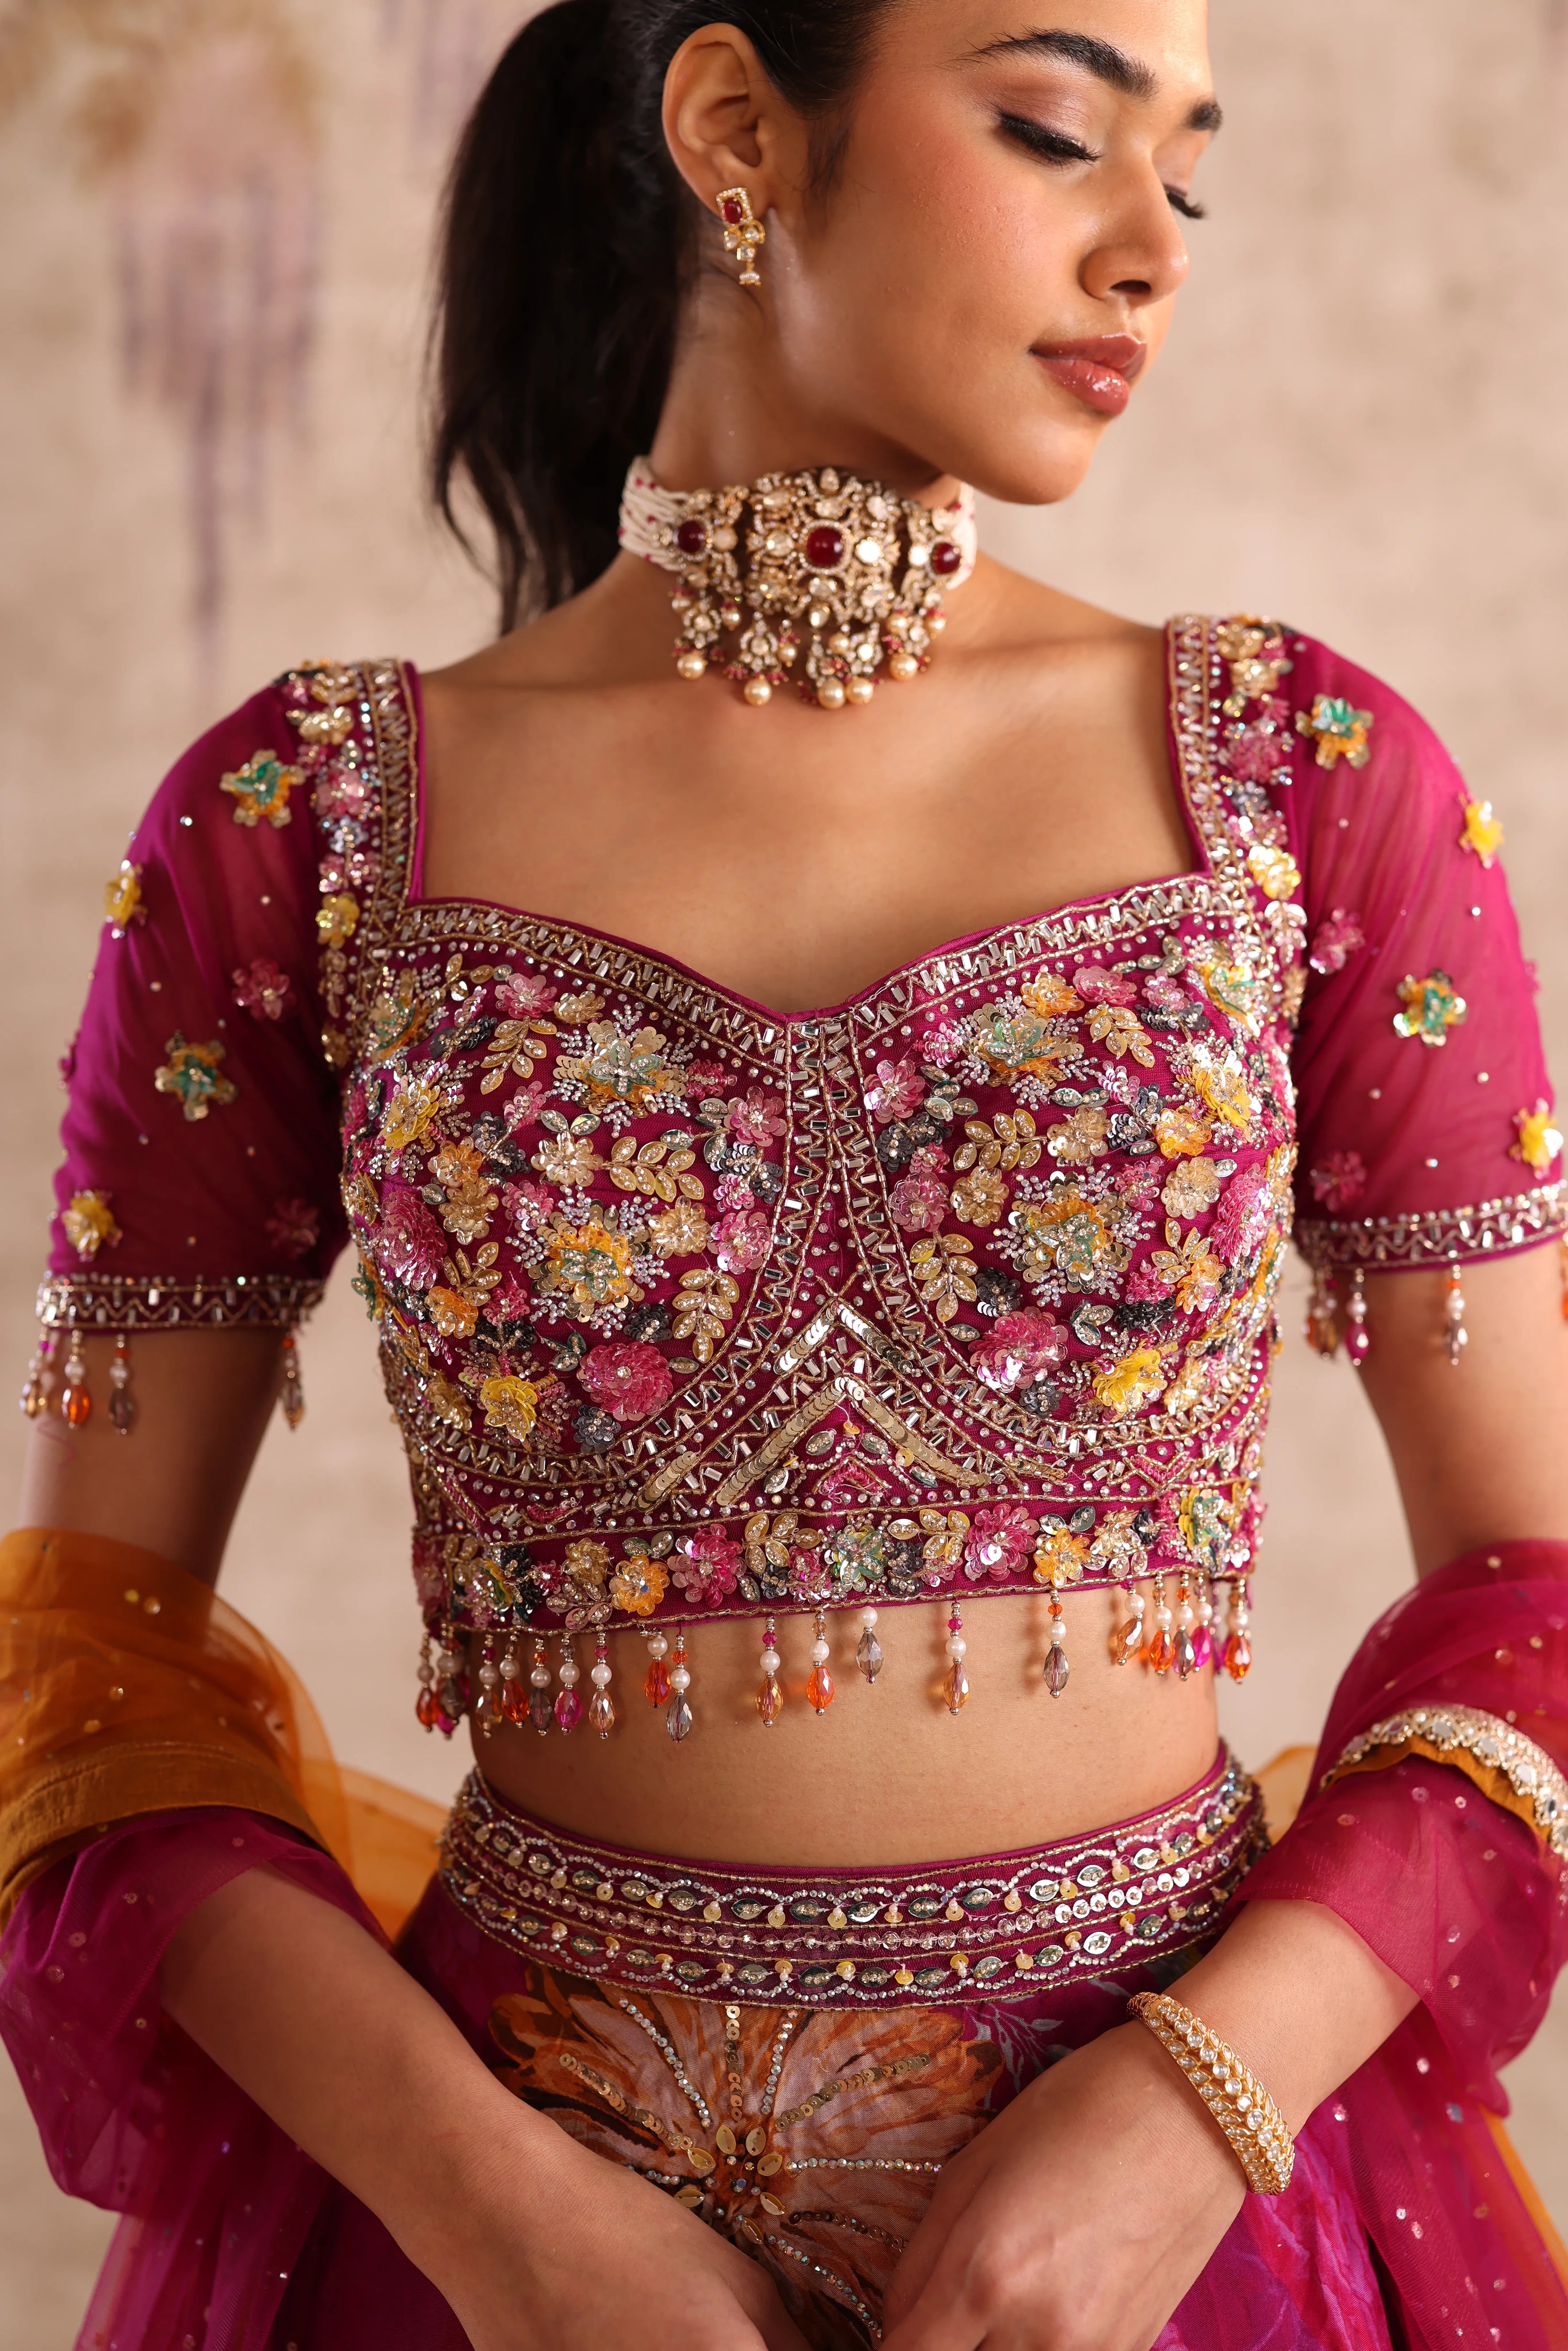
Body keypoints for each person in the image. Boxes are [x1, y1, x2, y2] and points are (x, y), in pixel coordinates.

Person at [4, 2, 1567, 2346]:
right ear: (738, 131)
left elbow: (1535, 1592)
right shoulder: (307, 829)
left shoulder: (1301, 785)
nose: (1150, 250)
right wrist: (507, 2214)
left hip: (1174, 2239)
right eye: (1056, 130)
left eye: (1193, 175)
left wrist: (1191, 2107)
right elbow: (78, 1682)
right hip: (506, 2252)